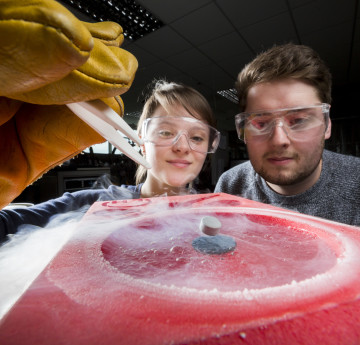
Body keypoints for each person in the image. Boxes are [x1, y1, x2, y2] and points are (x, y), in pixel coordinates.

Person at [0, 80, 220, 243]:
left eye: (197, 137)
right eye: (165, 132)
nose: (182, 146)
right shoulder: (93, 205)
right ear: (141, 142)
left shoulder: (217, 215)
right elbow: (5, 225)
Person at [215, 43, 360, 226]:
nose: (279, 140)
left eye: (299, 121)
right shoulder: (230, 186)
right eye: (260, 123)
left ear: (327, 124)